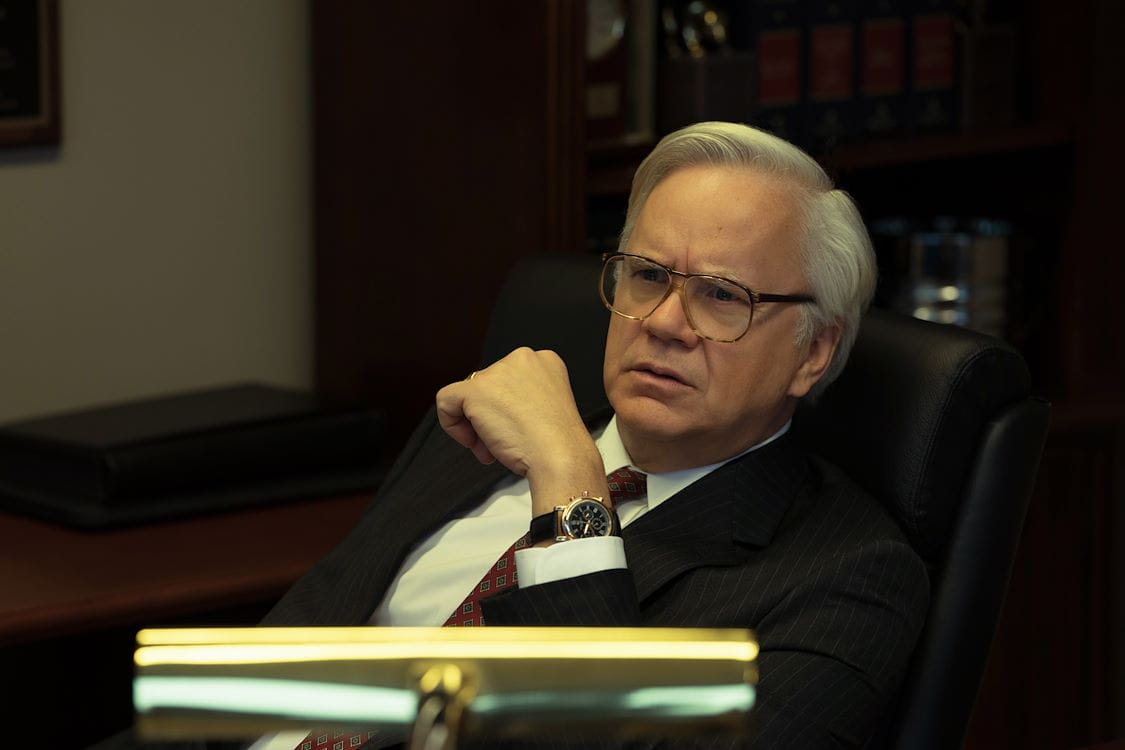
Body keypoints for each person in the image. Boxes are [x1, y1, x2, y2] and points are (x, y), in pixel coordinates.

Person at [100, 122, 929, 750]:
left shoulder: (847, 580)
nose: (662, 322)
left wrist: (569, 486)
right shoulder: (475, 437)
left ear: (813, 353)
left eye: (721, 295)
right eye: (646, 276)